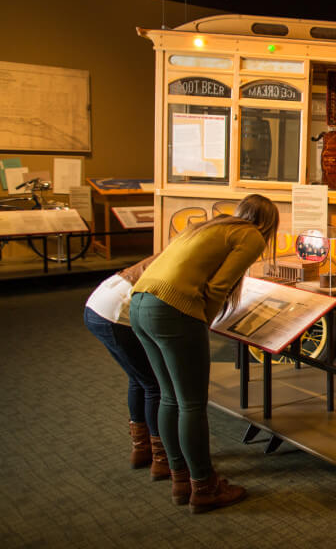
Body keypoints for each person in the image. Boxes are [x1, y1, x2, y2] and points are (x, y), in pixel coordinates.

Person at [130, 194, 279, 513]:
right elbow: (218, 288)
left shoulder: (209, 227)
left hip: (140, 304)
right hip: (174, 310)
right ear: (269, 224)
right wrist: (202, 323)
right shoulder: (251, 235)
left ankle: (180, 478)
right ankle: (204, 487)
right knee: (192, 404)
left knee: (170, 397)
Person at [83, 255, 166, 478]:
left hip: (98, 305)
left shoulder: (170, 252)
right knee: (154, 385)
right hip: (115, 315)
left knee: (138, 379)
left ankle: (141, 449)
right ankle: (161, 458)